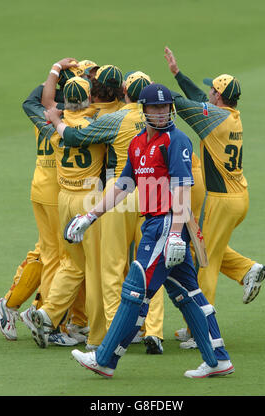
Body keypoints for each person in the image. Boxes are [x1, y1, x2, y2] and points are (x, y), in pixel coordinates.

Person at [64, 83, 234, 379]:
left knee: (133, 290)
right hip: (154, 223)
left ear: (170, 109)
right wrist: (90, 216)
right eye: (154, 108)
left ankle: (104, 358)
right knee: (188, 294)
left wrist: (174, 233)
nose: (160, 113)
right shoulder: (137, 143)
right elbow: (123, 185)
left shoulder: (176, 141)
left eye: (164, 107)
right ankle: (217, 359)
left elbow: (181, 188)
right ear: (144, 111)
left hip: (167, 223)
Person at [45, 71, 165, 354]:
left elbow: (75, 136)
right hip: (154, 192)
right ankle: (154, 331)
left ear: (126, 92)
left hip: (121, 191)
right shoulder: (159, 120)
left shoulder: (115, 118)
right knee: (150, 265)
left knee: (112, 266)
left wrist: (58, 120)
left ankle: (115, 332)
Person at [163, 47, 265, 346]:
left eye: (212, 90)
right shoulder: (231, 116)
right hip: (238, 197)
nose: (208, 93)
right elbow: (196, 100)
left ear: (218, 96)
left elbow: (183, 104)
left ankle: (203, 330)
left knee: (204, 260)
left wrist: (156, 91)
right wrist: (178, 74)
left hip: (221, 201)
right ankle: (248, 270)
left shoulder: (213, 118)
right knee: (209, 249)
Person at [0, 58, 93, 346]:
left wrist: (55, 71)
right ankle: (45, 316)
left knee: (49, 252)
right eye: (86, 78)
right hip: (56, 191)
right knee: (58, 258)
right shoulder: (73, 119)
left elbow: (32, 99)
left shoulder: (48, 111)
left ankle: (24, 308)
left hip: (44, 187)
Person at [29, 65, 128, 350]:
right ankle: (97, 338)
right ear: (88, 98)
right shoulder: (95, 123)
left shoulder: (53, 124)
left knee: (72, 264)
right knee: (96, 270)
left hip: (64, 199)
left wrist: (55, 72)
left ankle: (48, 313)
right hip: (89, 199)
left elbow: (45, 105)